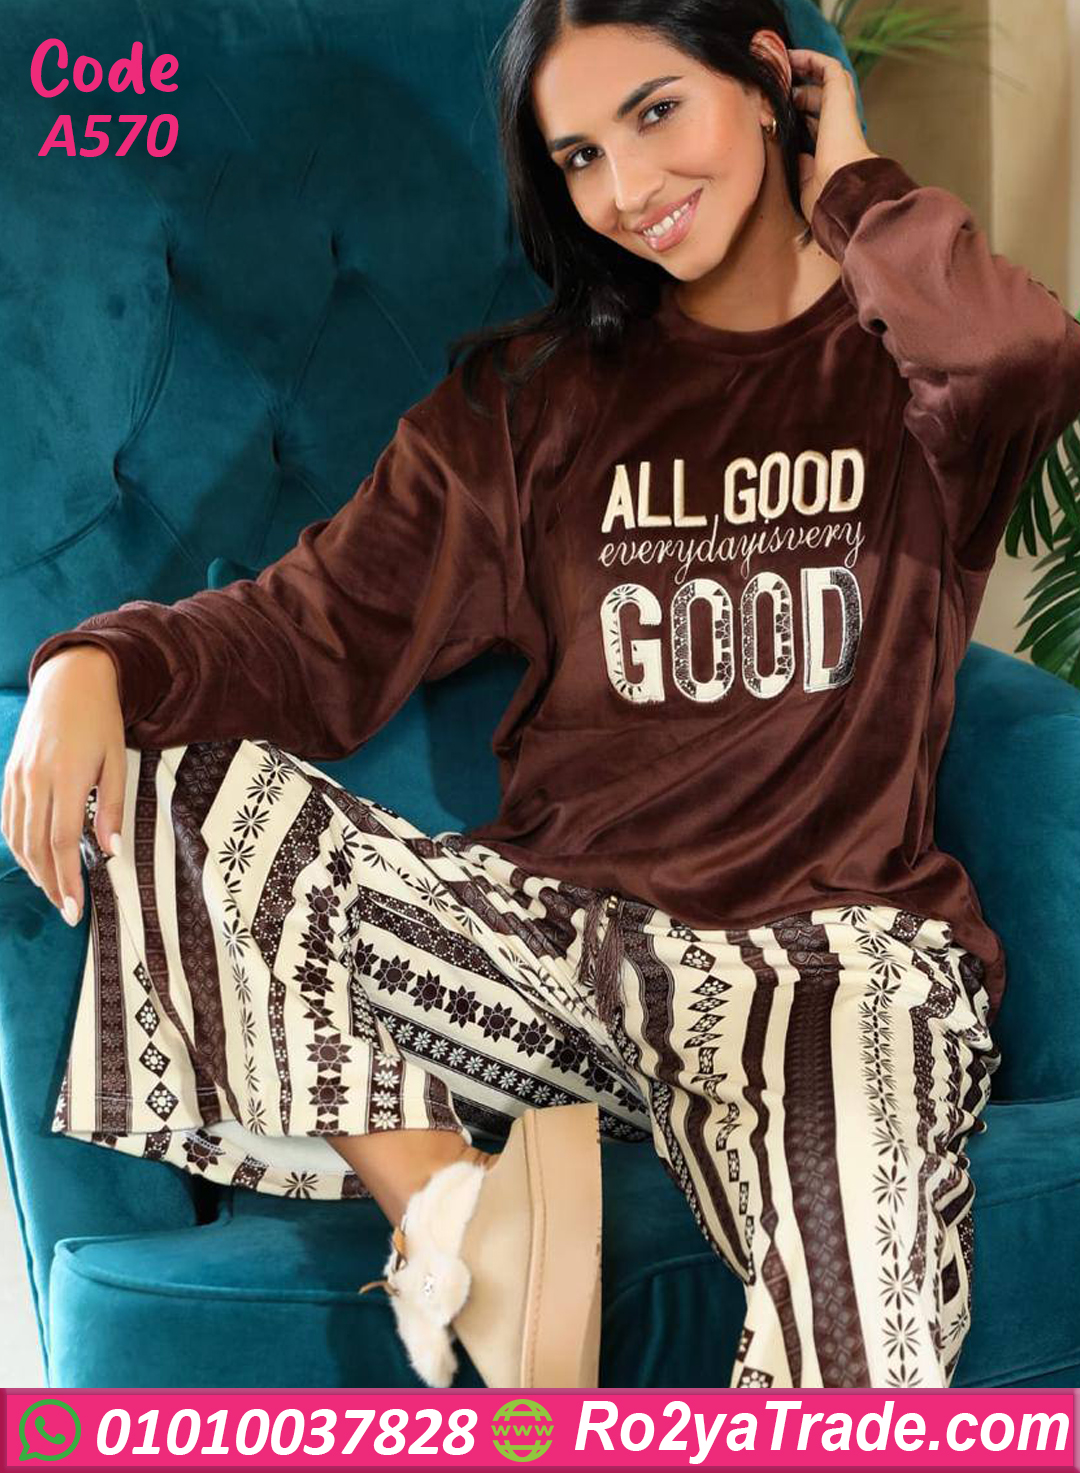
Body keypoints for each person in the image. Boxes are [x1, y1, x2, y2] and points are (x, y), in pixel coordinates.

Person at [6, 0, 1080, 1392]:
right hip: (568, 962)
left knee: (859, 1310)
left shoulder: (914, 377)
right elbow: (310, 634)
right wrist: (93, 661)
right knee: (170, 790)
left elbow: (1024, 354)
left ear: (769, 81)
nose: (628, 189)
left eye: (656, 112)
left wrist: (855, 181)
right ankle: (469, 1238)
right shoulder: (529, 404)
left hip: (840, 962)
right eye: (580, 156)